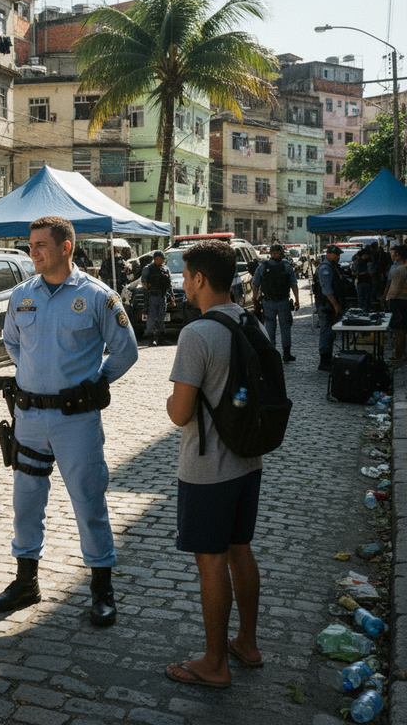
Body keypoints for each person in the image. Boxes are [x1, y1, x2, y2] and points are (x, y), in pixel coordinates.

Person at [0, 216, 138, 626]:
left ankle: (101, 588)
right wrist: (37, 381)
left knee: (89, 502)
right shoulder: (22, 295)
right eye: (31, 245)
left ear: (65, 247)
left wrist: (94, 384)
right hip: (30, 418)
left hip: (76, 420)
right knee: (26, 502)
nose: (32, 252)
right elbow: (13, 344)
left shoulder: (96, 296)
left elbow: (126, 350)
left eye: (40, 245)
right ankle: (26, 582)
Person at [165, 240, 265, 689]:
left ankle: (213, 663)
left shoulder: (197, 334)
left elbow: (180, 412)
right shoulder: (249, 321)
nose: (184, 284)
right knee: (241, 549)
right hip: (248, 459)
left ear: (200, 279)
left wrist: (169, 399)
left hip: (208, 468)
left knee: (211, 561)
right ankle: (246, 642)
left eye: (186, 276)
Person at [251, 243, 300, 362]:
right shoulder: (287, 267)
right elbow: (294, 285)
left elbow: (255, 284)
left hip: (268, 302)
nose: (276, 255)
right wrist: (297, 300)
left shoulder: (263, 266)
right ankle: (286, 354)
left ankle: (271, 354)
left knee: (269, 327)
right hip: (283, 301)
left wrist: (254, 298)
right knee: (285, 327)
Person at [314, 245, 345, 371]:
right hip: (326, 305)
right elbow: (326, 289)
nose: (338, 257)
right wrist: (336, 305)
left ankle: (328, 357)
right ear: (329, 254)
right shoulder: (326, 268)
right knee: (327, 332)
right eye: (336, 255)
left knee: (331, 333)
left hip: (330, 305)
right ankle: (324, 361)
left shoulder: (333, 266)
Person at [141, 250, 173, 346]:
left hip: (162, 296)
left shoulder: (165, 269)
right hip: (152, 296)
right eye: (159, 259)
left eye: (162, 259)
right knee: (151, 318)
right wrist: (148, 286)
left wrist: (171, 296)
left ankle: (160, 339)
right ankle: (150, 340)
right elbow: (143, 283)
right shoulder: (148, 268)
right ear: (155, 259)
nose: (161, 261)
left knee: (161, 318)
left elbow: (169, 284)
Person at [386, 245, 407, 361]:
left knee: (399, 330)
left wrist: (388, 301)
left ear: (399, 255)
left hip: (398, 302)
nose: (391, 255)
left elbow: (394, 289)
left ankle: (399, 354)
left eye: (393, 253)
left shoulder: (400, 269)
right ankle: (402, 353)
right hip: (404, 301)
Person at [351, 247, 374, 313]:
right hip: (366, 282)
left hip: (360, 282)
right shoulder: (368, 262)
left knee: (361, 300)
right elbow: (372, 272)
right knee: (366, 300)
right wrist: (364, 273)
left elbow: (353, 272)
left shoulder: (356, 262)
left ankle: (361, 313)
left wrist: (358, 274)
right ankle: (365, 313)